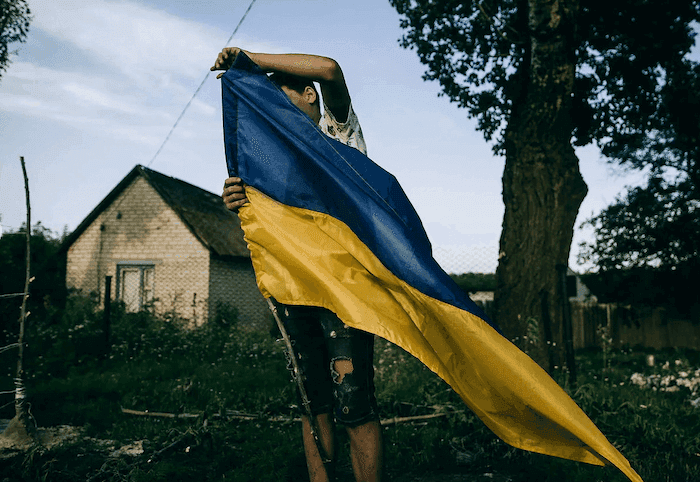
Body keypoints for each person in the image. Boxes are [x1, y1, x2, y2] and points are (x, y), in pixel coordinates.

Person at [212, 48, 383, 482]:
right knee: (312, 404)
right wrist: (237, 202)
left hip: (346, 298)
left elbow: (330, 70)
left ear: (309, 96)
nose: (270, 114)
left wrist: (249, 60)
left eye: (279, 98)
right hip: (294, 293)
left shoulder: (336, 135)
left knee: (355, 404)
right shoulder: (271, 165)